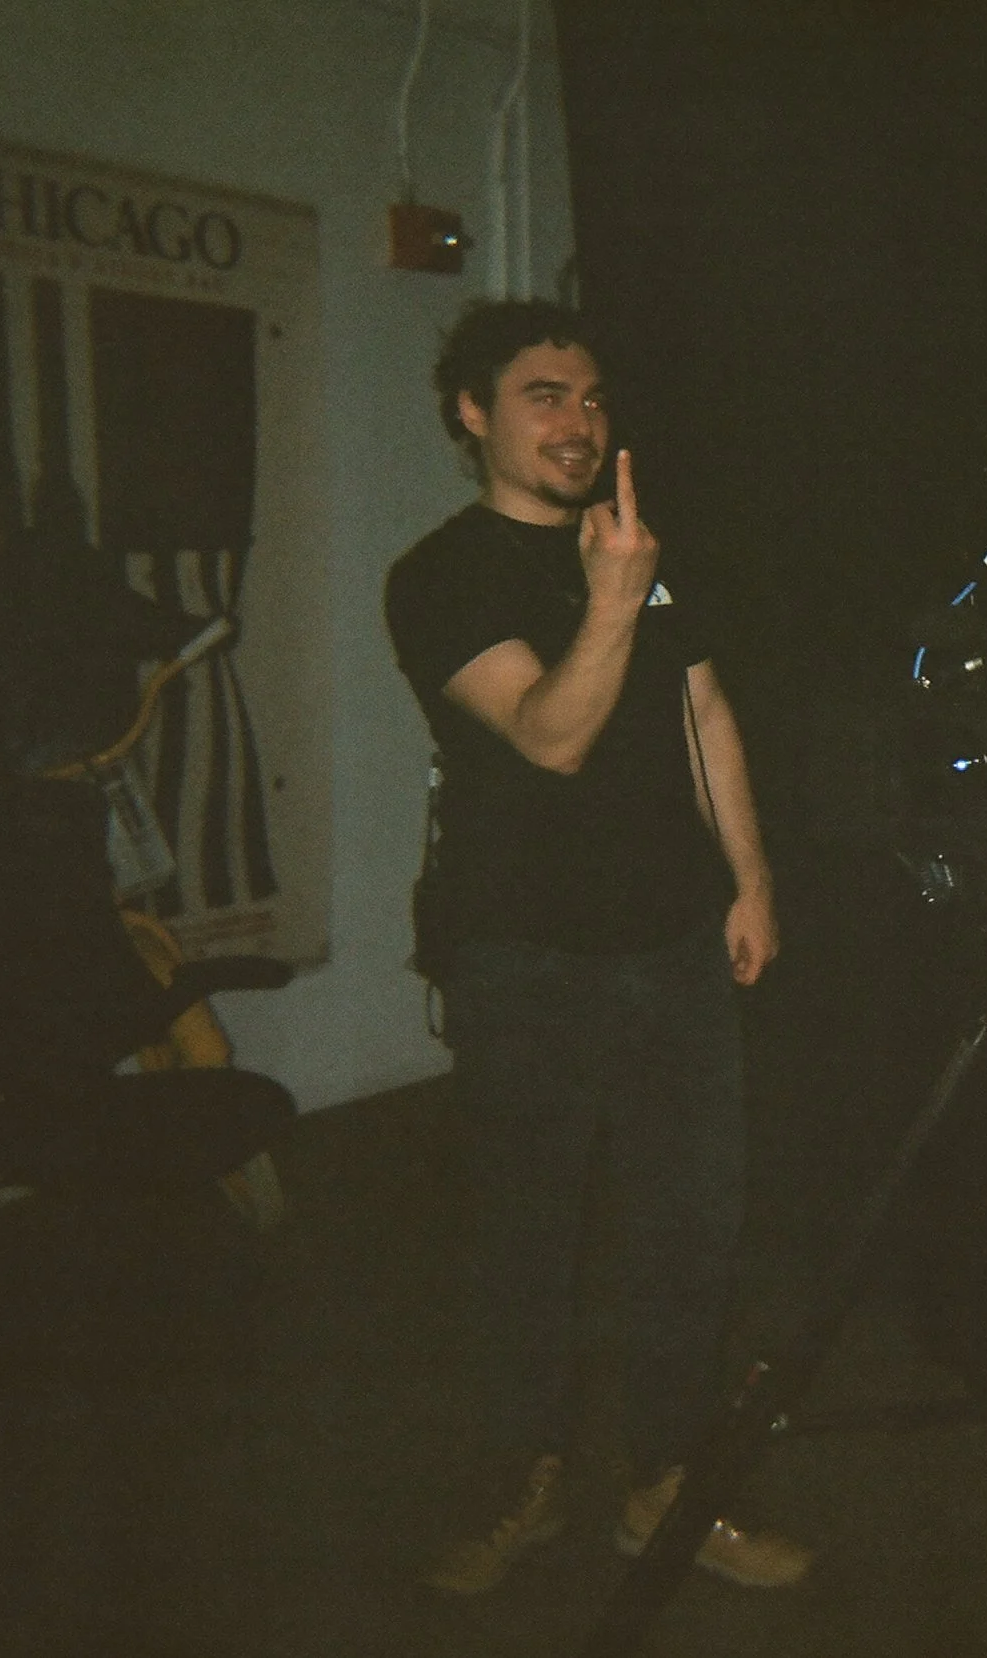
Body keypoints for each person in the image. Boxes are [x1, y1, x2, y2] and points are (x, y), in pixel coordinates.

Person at [384, 300, 808, 1594]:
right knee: (532, 1240)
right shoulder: (442, 574)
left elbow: (704, 708)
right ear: (474, 414)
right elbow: (551, 731)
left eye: (592, 398)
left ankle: (665, 1487)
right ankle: (525, 1482)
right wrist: (612, 598)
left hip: (675, 948)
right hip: (526, 961)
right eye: (543, 396)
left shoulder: (637, 553)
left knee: (696, 1230)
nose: (578, 421)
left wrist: (750, 876)